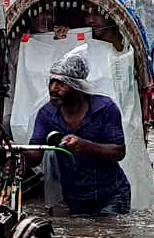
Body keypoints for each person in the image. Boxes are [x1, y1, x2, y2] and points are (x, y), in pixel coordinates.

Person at [29, 52, 132, 215]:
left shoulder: (105, 108)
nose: (53, 88)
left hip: (112, 195)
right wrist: (18, 151)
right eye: (51, 81)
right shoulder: (46, 114)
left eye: (61, 83)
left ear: (77, 86)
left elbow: (119, 152)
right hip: (74, 199)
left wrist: (84, 145)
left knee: (110, 237)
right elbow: (34, 156)